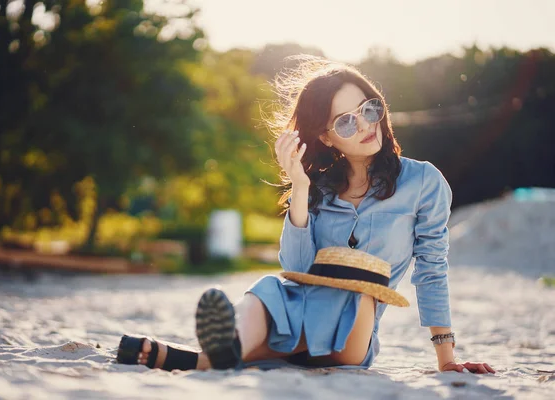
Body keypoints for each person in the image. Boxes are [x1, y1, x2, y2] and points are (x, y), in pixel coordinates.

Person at [116, 56, 495, 374]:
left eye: (368, 108)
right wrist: (299, 186)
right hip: (299, 304)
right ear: (326, 137)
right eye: (346, 121)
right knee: (268, 290)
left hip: (354, 328)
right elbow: (296, 268)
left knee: (357, 292)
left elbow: (432, 268)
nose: (364, 124)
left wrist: (447, 359)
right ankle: (208, 358)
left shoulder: (424, 182)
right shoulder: (319, 188)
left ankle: (212, 354)